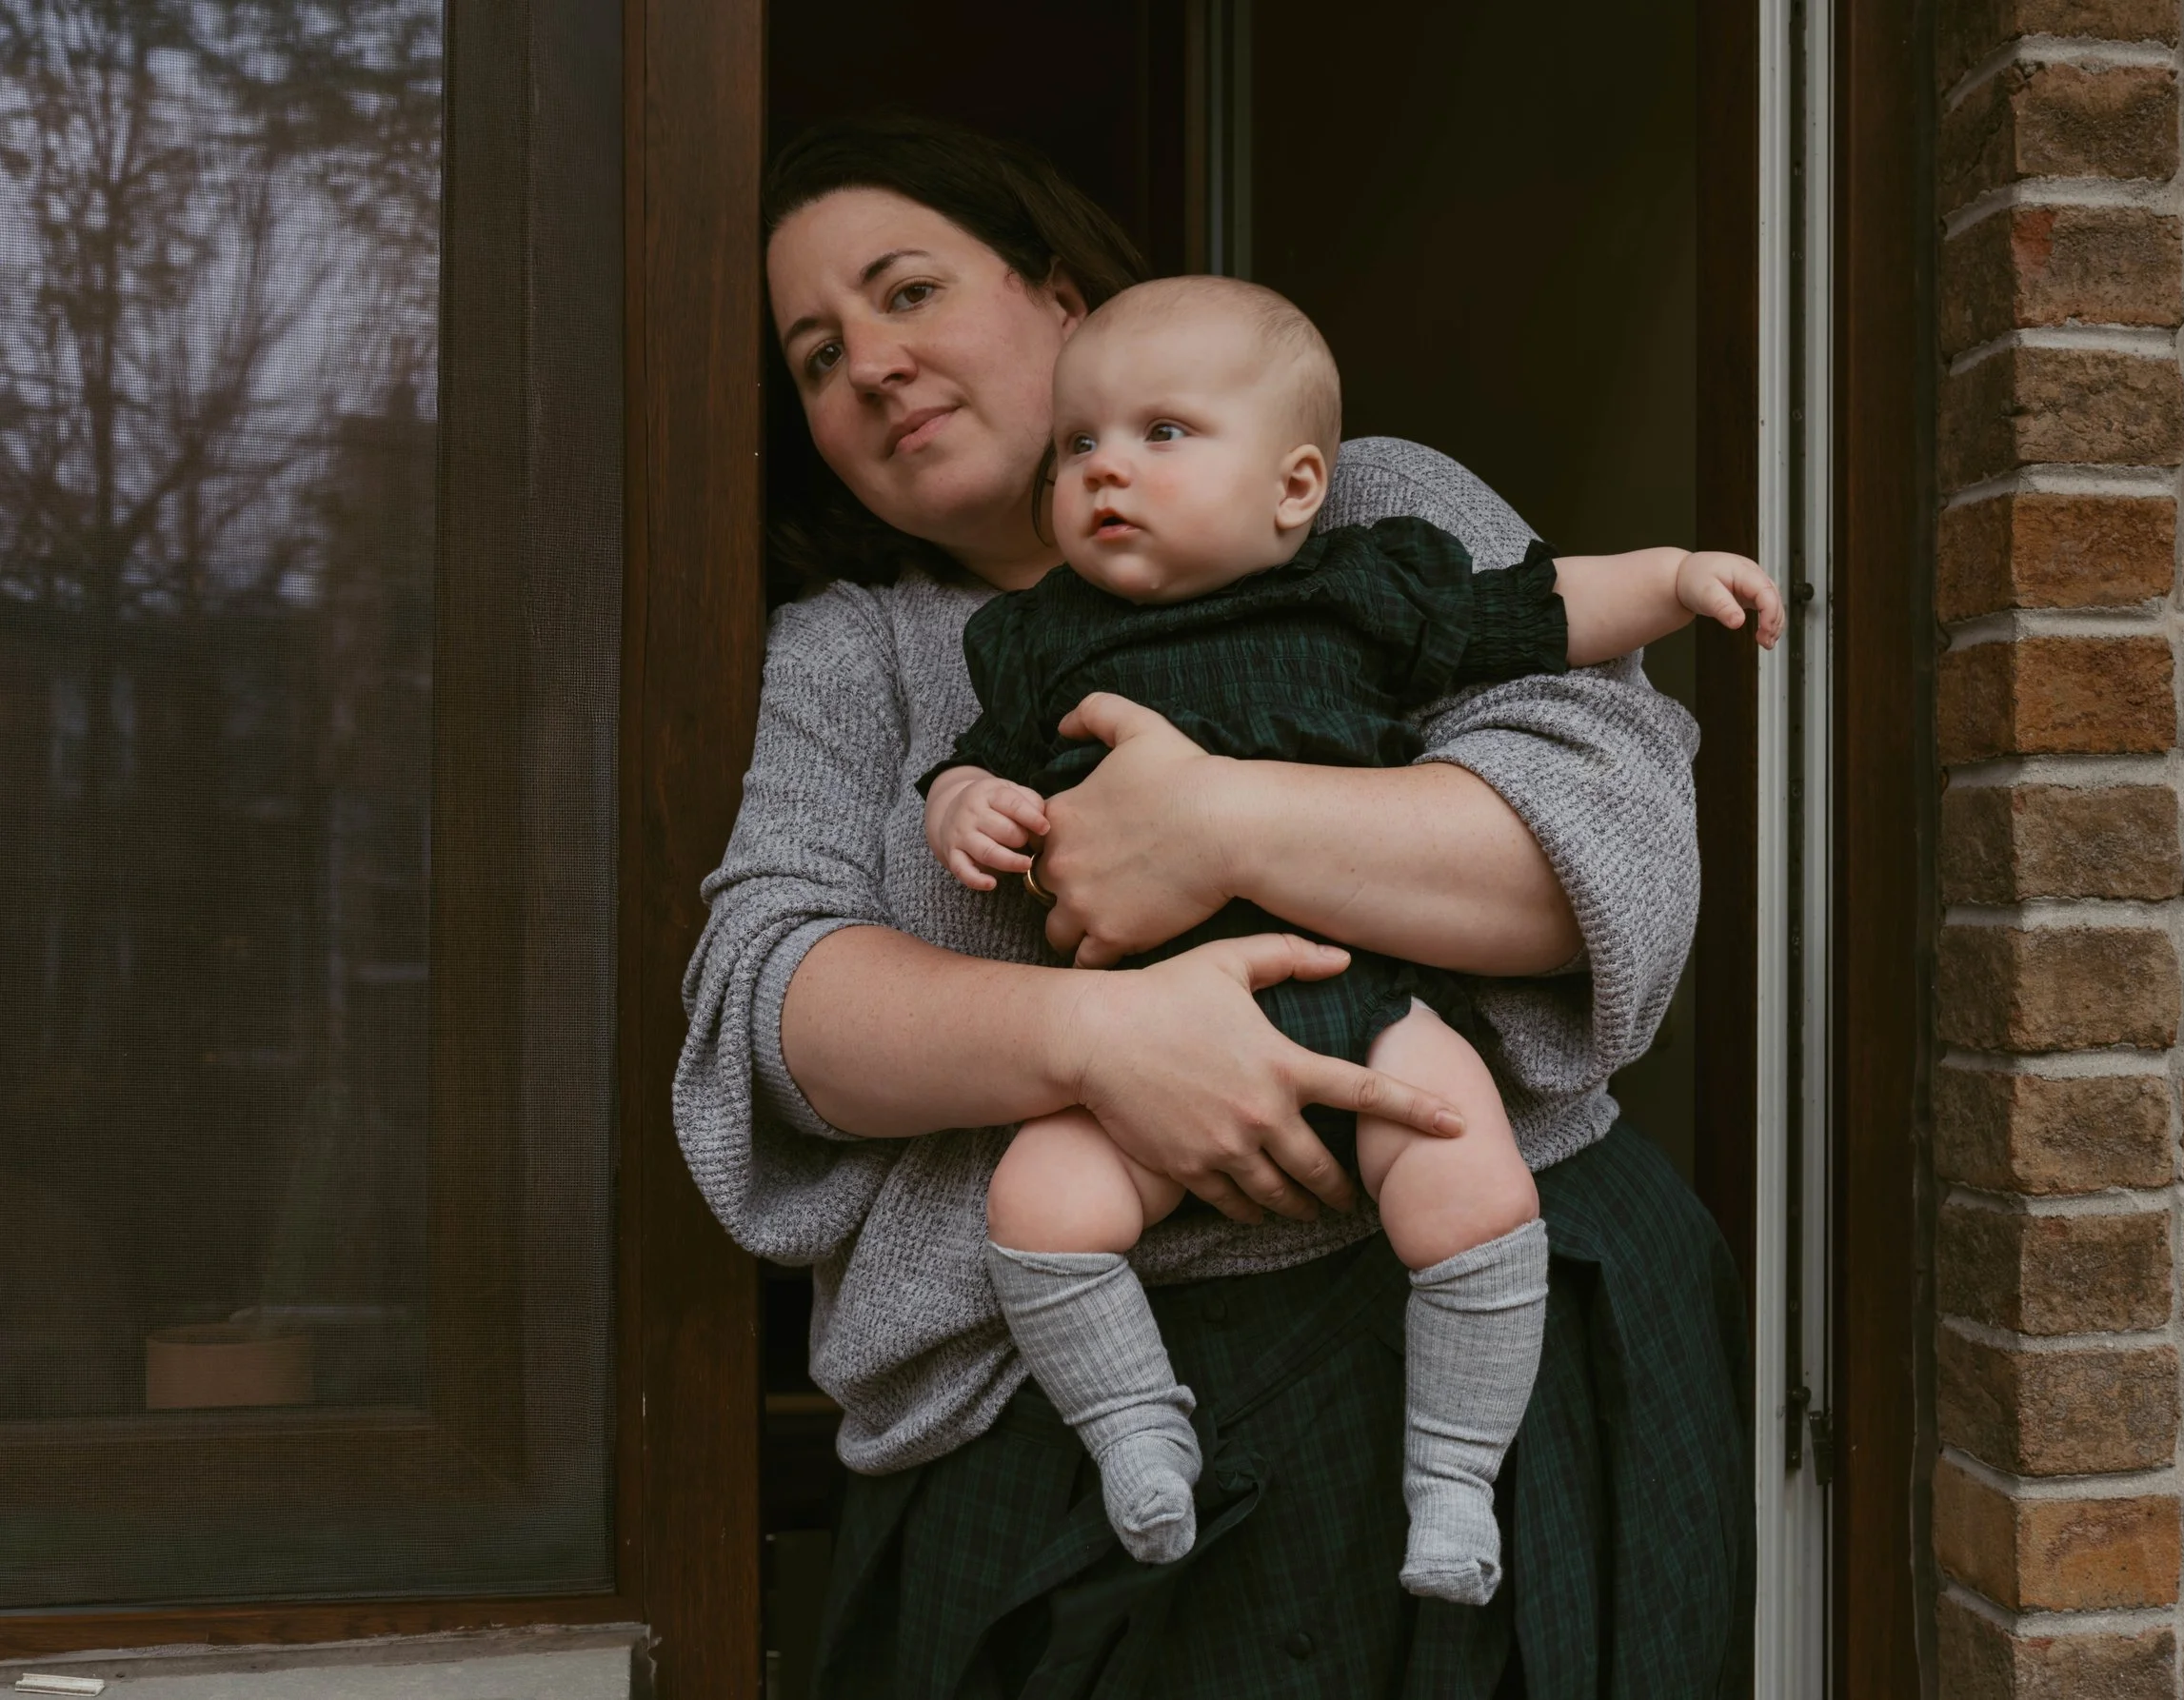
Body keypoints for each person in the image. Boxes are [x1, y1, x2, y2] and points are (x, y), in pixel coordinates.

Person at [676, 112, 1752, 1696]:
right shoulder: (854, 654)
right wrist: (1102, 1036)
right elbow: (771, 1002)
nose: (872, 367)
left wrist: (1213, 820)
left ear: (1058, 298)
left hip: (1492, 1343)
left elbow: (1601, 844)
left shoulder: (1365, 512)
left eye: (908, 293)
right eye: (819, 355)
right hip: (1054, 1434)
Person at [921, 274, 1778, 1604]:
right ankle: (1137, 1429)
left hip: (1366, 998)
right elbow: (974, 763)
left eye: (1161, 436)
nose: (1104, 471)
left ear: (1295, 486)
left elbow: (1539, 610)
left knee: (1474, 1181)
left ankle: (1451, 1477)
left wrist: (1672, 578)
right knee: (1039, 1208)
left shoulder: (1368, 587)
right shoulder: (1035, 639)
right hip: (1148, 1027)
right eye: (1077, 444)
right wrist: (967, 803)